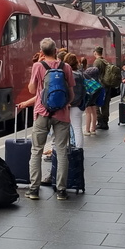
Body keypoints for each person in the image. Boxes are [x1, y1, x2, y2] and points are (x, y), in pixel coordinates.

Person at [24, 37, 75, 201]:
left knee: (36, 151)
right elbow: (72, 94)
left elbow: (32, 90)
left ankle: (34, 190)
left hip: (41, 113)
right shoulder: (65, 66)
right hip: (62, 115)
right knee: (61, 152)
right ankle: (61, 191)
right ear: (55, 51)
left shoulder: (38, 66)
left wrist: (37, 67)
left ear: (41, 52)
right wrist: (63, 106)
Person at [66, 53, 85, 148]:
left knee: (74, 128)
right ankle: (79, 150)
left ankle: (77, 148)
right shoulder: (80, 74)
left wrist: (68, 103)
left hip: (72, 105)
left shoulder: (70, 75)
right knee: (77, 128)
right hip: (79, 104)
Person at [92, 46, 111, 131]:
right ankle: (105, 122)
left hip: (100, 86)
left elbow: (95, 74)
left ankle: (100, 122)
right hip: (107, 85)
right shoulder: (105, 61)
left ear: (95, 53)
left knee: (96, 104)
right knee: (105, 105)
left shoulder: (97, 62)